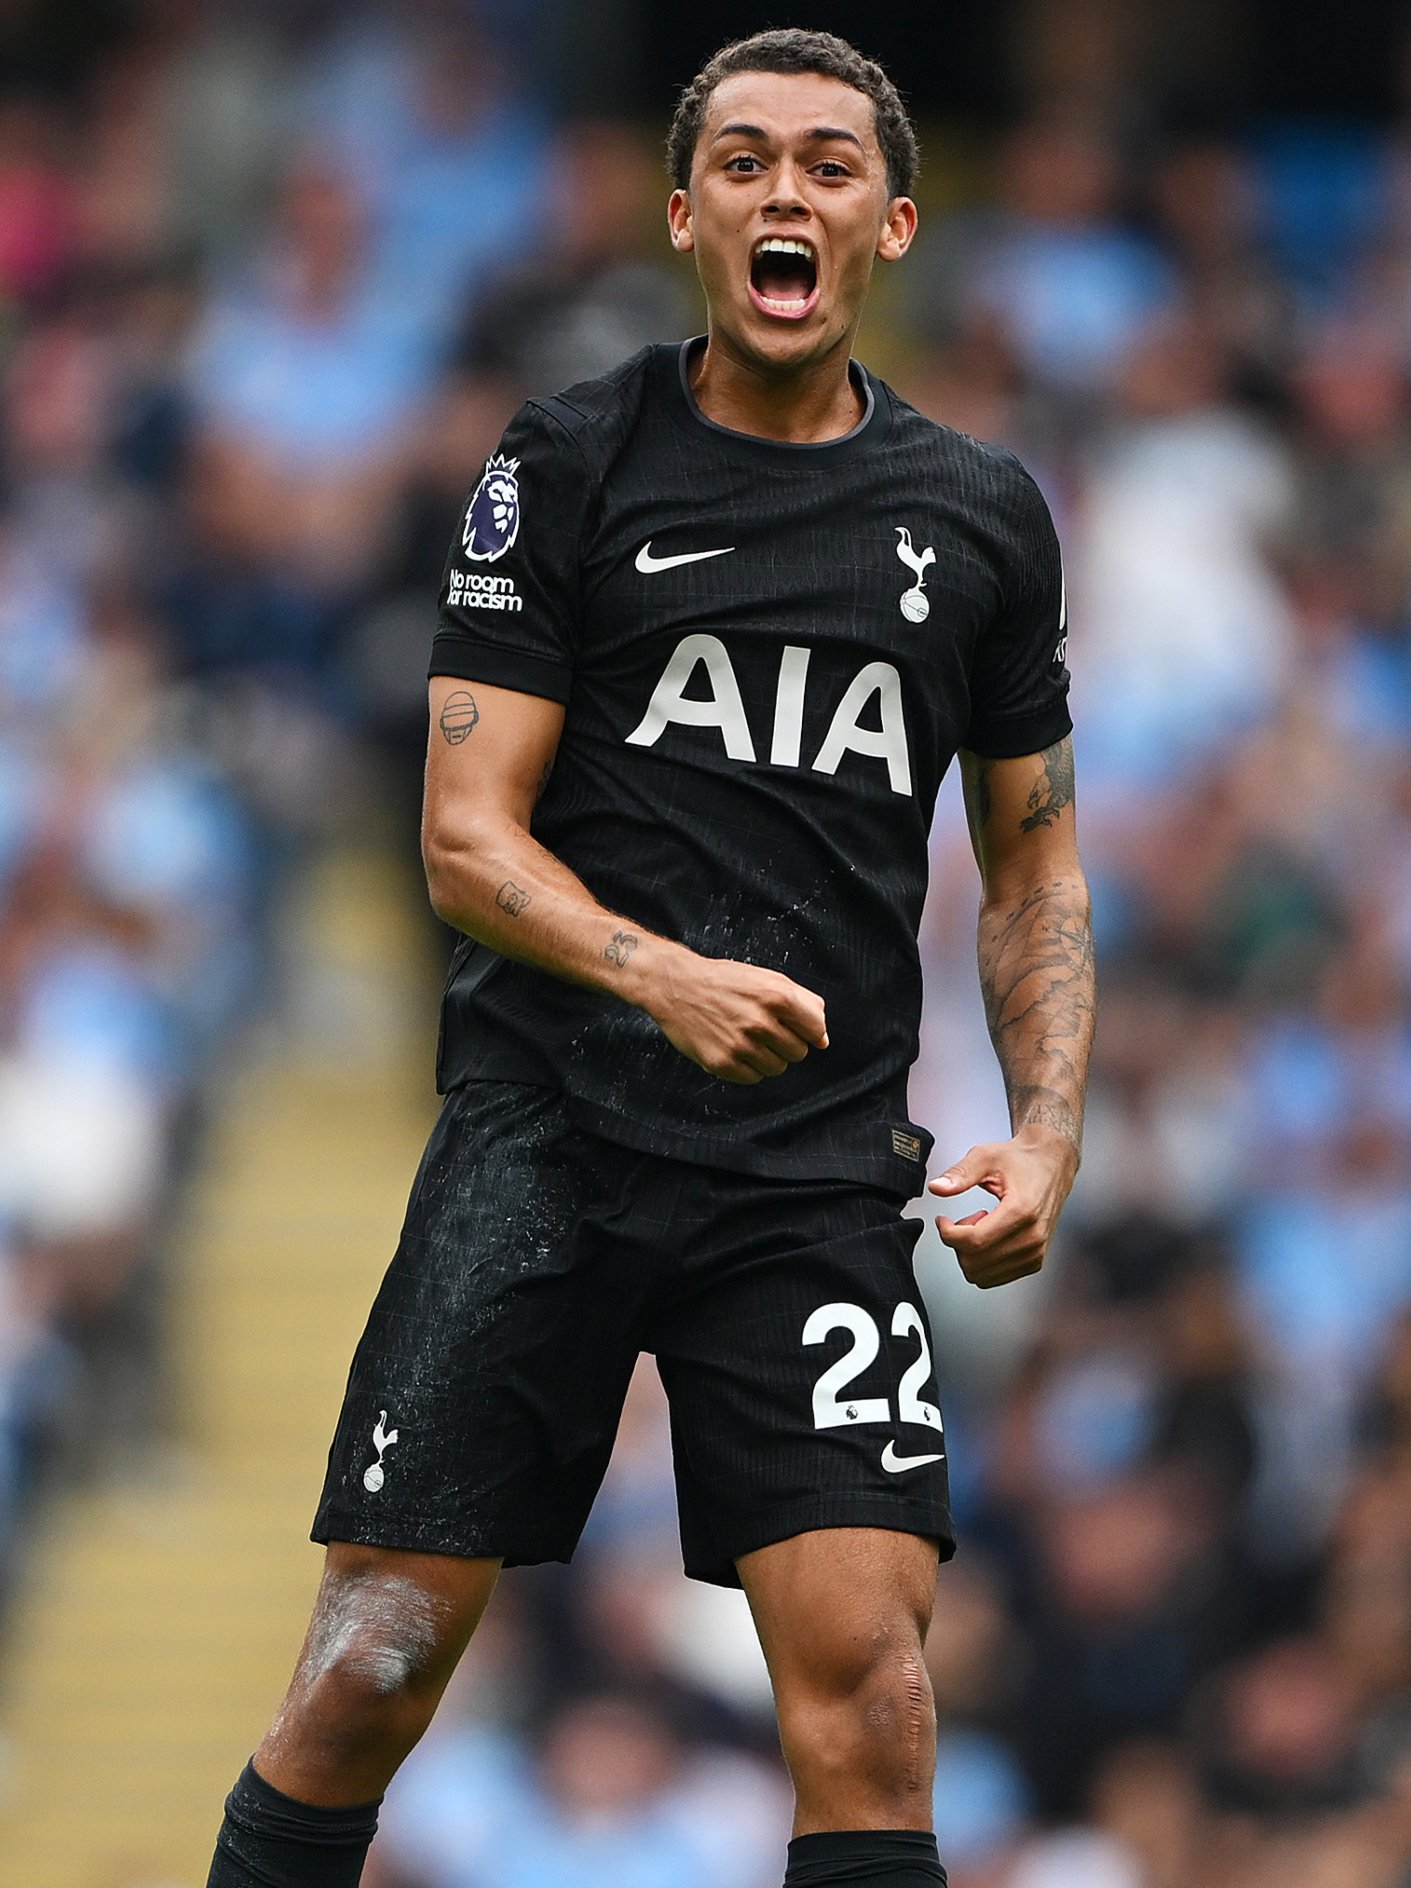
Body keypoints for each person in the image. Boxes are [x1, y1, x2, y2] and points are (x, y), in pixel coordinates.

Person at [205, 28, 1095, 1888]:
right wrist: (664, 977)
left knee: (875, 1706)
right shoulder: (569, 458)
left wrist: (1049, 1130)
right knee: (369, 1672)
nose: (790, 194)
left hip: (814, 1177)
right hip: (552, 1138)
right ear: (685, 214)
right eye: (749, 162)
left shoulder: (983, 517)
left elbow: (1029, 858)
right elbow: (464, 837)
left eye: (831, 166)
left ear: (897, 223)